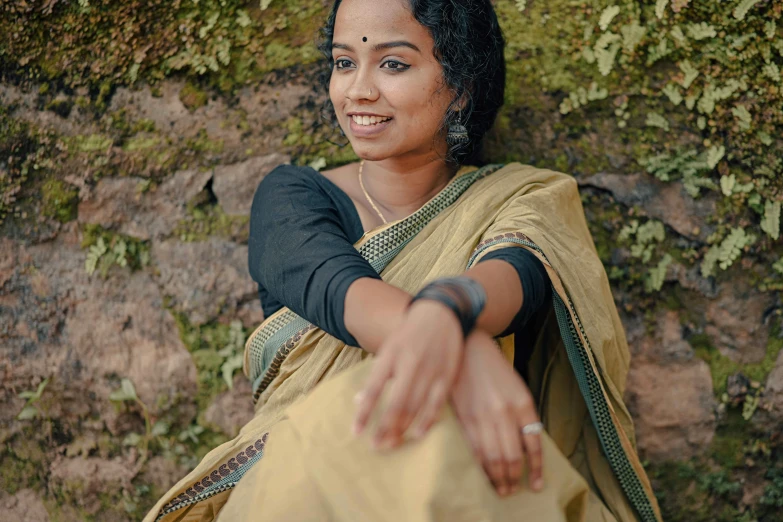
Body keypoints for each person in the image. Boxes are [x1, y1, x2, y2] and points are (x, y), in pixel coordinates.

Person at [144, 0, 661, 521]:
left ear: (460, 87)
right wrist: (465, 349)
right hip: (310, 485)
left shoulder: (519, 203)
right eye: (345, 62)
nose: (358, 90)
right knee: (336, 415)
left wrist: (447, 310)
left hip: (464, 489)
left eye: (393, 64)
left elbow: (513, 276)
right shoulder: (293, 199)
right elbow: (347, 296)